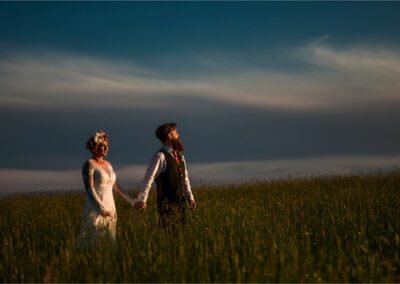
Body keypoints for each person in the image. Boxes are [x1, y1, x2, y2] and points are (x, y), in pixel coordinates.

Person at [134, 123, 196, 229]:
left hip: (181, 205)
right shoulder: (160, 156)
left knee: (181, 237)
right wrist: (142, 199)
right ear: (169, 135)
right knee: (168, 237)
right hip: (166, 207)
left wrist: (190, 197)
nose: (178, 135)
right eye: (175, 132)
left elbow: (185, 179)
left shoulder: (180, 156)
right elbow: (148, 179)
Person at [80, 130, 136, 244]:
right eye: (102, 146)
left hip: (110, 206)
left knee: (109, 238)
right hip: (95, 207)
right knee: (93, 238)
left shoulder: (108, 164)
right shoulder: (89, 164)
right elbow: (89, 189)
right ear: (95, 147)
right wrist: (101, 208)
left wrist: (132, 202)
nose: (106, 149)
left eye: (107, 146)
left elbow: (116, 186)